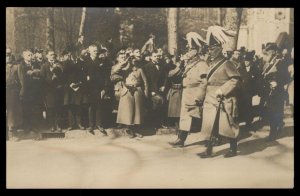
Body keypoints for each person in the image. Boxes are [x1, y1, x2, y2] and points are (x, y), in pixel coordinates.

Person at [200, 26, 241, 158]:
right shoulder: (210, 64)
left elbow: (235, 79)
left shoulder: (227, 63)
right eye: (209, 49)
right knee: (209, 125)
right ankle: (209, 150)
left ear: (219, 49)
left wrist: (223, 90)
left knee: (227, 125)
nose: (210, 52)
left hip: (223, 97)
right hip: (210, 98)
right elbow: (206, 82)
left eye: (212, 49)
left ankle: (233, 149)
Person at [169, 32, 209, 148]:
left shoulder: (201, 64)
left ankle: (213, 137)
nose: (188, 51)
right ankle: (181, 140)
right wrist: (181, 63)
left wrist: (200, 96)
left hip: (195, 93)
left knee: (201, 116)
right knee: (185, 117)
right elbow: (172, 75)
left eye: (190, 49)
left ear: (196, 51)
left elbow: (205, 81)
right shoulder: (187, 64)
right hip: (187, 93)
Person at [111, 52, 148, 138]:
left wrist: (145, 93)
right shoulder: (121, 69)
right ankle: (129, 129)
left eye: (127, 58)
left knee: (137, 112)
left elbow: (145, 82)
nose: (126, 60)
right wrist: (123, 63)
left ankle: (136, 130)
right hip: (126, 90)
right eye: (122, 58)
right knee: (128, 111)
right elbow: (114, 73)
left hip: (136, 90)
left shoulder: (137, 69)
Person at [261, 43, 288, 141]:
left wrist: (276, 82)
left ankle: (273, 133)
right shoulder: (268, 63)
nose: (265, 56)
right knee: (271, 112)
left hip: (277, 92)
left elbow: (286, 78)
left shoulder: (280, 62)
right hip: (268, 91)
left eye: (266, 53)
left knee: (274, 112)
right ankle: (278, 125)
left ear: (272, 52)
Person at [17, 49, 42, 139]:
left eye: (31, 55)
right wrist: (22, 91)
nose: (30, 57)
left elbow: (40, 74)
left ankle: (36, 131)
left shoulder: (35, 64)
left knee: (35, 111)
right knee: (27, 111)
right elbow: (21, 79)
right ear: (23, 56)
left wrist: (35, 74)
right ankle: (27, 131)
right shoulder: (21, 66)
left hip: (35, 92)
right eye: (28, 55)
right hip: (26, 92)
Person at [85, 45, 109, 135]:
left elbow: (105, 75)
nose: (96, 52)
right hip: (89, 88)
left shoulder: (101, 61)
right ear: (90, 52)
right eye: (94, 51)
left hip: (99, 87)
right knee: (91, 106)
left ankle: (99, 124)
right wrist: (85, 78)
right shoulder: (85, 61)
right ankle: (91, 125)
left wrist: (104, 89)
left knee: (99, 106)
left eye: (96, 51)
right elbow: (82, 73)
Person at [40, 51, 64, 132]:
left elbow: (62, 76)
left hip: (57, 90)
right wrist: (51, 79)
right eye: (50, 55)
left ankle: (58, 125)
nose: (52, 56)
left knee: (58, 108)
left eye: (53, 55)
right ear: (47, 56)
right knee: (50, 109)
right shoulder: (44, 66)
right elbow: (42, 79)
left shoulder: (59, 64)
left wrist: (59, 80)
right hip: (49, 91)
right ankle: (51, 126)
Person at [144, 50, 168, 129]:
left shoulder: (162, 66)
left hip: (160, 90)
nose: (157, 58)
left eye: (158, 56)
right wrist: (150, 91)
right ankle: (152, 125)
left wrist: (164, 86)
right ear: (151, 57)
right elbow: (146, 81)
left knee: (161, 106)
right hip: (152, 90)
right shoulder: (147, 67)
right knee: (153, 107)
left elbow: (165, 77)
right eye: (155, 56)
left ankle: (160, 123)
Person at [6, 49, 22, 141]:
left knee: (12, 112)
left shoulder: (16, 67)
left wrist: (21, 91)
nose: (7, 57)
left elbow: (21, 80)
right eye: (6, 55)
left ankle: (11, 133)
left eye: (8, 55)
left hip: (12, 91)